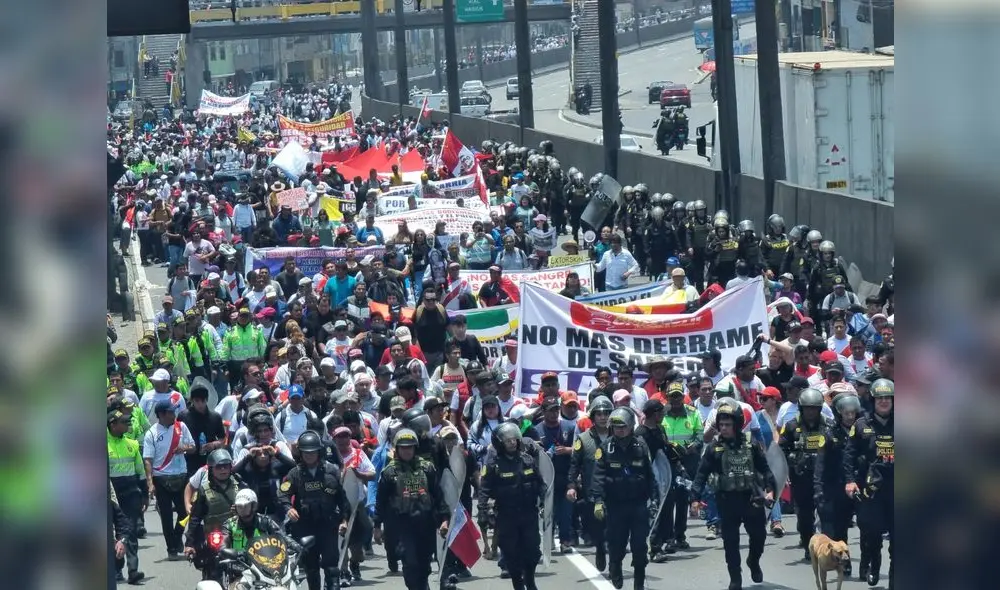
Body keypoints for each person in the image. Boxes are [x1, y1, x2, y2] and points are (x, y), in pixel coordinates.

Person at [690, 401, 776, 590]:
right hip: (726, 501)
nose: (724, 428)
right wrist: (695, 499)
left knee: (759, 536)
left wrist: (771, 489)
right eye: (721, 425)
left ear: (737, 424)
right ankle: (735, 578)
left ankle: (753, 561)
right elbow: (701, 475)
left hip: (751, 499)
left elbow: (765, 469)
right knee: (730, 542)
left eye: (728, 424)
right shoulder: (714, 448)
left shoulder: (751, 444)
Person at [374, 429, 451, 590]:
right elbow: (380, 502)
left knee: (424, 565)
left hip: (425, 525)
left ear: (415, 448)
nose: (407, 450)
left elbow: (438, 495)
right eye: (403, 447)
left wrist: (444, 519)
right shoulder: (389, 473)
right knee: (410, 564)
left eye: (410, 447)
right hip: (401, 527)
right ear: (397, 449)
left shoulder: (427, 468)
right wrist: (377, 526)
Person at [589, 408, 656, 590]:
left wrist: (655, 500)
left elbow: (651, 477)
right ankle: (615, 566)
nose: (619, 430)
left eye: (623, 426)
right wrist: (598, 501)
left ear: (631, 426)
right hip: (615, 506)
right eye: (616, 426)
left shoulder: (641, 447)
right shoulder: (605, 448)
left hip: (638, 506)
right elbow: (598, 477)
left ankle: (639, 584)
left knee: (640, 547)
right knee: (616, 544)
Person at [277, 431, 352, 590]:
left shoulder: (331, 471)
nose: (309, 455)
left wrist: (344, 520)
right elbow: (283, 493)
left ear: (319, 451)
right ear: (301, 453)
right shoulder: (294, 473)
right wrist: (288, 508)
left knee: (332, 567)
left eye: (313, 452)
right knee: (311, 567)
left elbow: (342, 499)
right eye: (306, 452)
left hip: (328, 525)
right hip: (305, 526)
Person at [478, 422, 546, 590]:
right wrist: (482, 512)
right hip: (507, 517)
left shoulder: (528, 460)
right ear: (500, 443)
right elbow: (484, 489)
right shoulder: (494, 465)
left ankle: (530, 579)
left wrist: (546, 503)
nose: (512, 443)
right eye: (507, 440)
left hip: (529, 514)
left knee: (533, 551)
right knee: (511, 552)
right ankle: (518, 583)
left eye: (514, 439)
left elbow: (541, 484)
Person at [844, 378, 894, 588]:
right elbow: (848, 456)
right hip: (871, 489)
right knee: (871, 534)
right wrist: (850, 481)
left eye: (887, 398)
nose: (883, 401)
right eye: (879, 398)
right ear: (872, 400)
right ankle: (874, 565)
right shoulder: (861, 425)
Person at [778, 386, 831, 560]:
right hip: (801, 477)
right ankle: (807, 541)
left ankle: (828, 547)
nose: (810, 412)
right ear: (801, 408)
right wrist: (787, 466)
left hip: (824, 477)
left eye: (814, 408)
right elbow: (781, 450)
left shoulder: (829, 425)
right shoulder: (791, 426)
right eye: (807, 408)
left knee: (827, 511)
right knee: (804, 515)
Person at [813, 393, 862, 577]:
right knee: (830, 529)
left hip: (852, 486)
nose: (850, 416)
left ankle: (846, 562)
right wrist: (817, 489)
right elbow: (820, 464)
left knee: (844, 528)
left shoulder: (861, 431)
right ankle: (828, 562)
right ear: (839, 413)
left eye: (852, 413)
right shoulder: (829, 433)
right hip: (831, 487)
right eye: (846, 413)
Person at [142, 400, 195, 561]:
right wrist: (150, 483)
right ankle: (171, 548)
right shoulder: (151, 433)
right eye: (171, 412)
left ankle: (177, 535)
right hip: (161, 478)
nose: (174, 415)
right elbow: (148, 460)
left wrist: (183, 449)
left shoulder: (181, 427)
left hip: (180, 475)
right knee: (165, 516)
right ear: (162, 414)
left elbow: (192, 447)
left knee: (184, 512)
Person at [566, 396, 612, 569]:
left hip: (616, 490)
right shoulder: (583, 439)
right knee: (596, 528)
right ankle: (600, 547)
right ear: (592, 416)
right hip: (592, 492)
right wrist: (571, 486)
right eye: (599, 413)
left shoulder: (619, 436)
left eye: (606, 413)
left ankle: (613, 555)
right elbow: (574, 465)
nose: (603, 417)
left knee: (615, 527)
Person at [184, 449, 240, 584]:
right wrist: (189, 543)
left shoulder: (240, 485)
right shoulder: (204, 490)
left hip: (238, 534)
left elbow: (253, 507)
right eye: (219, 467)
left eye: (226, 466)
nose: (223, 470)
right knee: (210, 568)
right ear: (211, 469)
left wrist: (241, 509)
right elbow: (195, 518)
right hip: (214, 536)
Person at [108, 406, 146, 584]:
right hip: (110, 496)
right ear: (113, 424)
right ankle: (116, 569)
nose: (128, 424)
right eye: (124, 422)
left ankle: (133, 570)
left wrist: (145, 494)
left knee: (129, 531)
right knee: (112, 532)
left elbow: (140, 472)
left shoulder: (132, 444)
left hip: (130, 494)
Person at [220, 488, 302, 559]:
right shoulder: (229, 524)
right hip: (239, 566)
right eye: (239, 506)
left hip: (265, 564)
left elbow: (281, 536)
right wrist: (226, 551)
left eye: (246, 506)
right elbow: (223, 544)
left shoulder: (265, 521)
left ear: (254, 506)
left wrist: (295, 546)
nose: (242, 509)